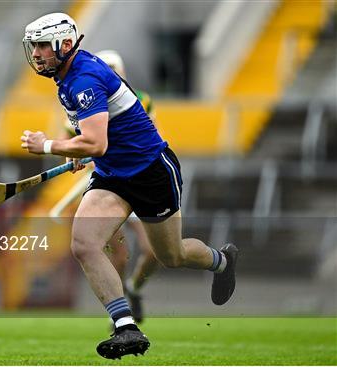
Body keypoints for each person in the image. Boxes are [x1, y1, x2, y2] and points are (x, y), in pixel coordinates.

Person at [20, 13, 238, 360]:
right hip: (113, 176)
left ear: (64, 44)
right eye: (35, 47)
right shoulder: (67, 76)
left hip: (150, 172)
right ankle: (126, 327)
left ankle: (221, 261)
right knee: (84, 244)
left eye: (44, 46)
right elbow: (95, 141)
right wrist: (79, 146)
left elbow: (97, 143)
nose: (38, 54)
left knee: (171, 256)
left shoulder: (84, 79)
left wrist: (48, 145)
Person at [50, 49, 161, 324]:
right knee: (118, 253)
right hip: (109, 182)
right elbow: (72, 141)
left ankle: (134, 288)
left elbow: (150, 134)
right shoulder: (81, 97)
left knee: (154, 251)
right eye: (107, 67)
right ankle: (120, 311)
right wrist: (74, 158)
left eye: (115, 68)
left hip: (138, 176)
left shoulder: (140, 100)